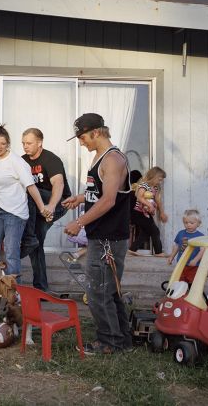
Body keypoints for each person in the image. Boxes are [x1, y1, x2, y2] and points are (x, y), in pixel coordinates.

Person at [62, 113, 133, 355]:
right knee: (108, 291)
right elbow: (99, 192)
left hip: (108, 238)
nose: (81, 142)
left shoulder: (113, 160)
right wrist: (80, 198)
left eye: (82, 137)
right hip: (103, 235)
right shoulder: (100, 158)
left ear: (97, 132)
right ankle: (122, 339)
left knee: (97, 292)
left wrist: (79, 222)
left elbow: (109, 200)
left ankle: (109, 342)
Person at [0, 125, 50, 276]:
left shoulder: (17, 162)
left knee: (11, 253)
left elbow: (31, 187)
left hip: (15, 213)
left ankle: (15, 294)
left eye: (3, 143)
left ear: (8, 145)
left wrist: (42, 208)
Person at [20, 128, 71, 291]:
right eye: (23, 143)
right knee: (36, 244)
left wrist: (50, 207)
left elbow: (59, 184)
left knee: (30, 191)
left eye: (29, 143)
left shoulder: (51, 159)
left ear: (40, 142)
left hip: (58, 203)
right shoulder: (21, 161)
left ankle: (28, 237)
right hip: (37, 208)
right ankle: (41, 288)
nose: (25, 146)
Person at [128, 167, 168, 256]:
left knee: (146, 232)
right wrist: (149, 205)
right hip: (138, 212)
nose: (160, 182)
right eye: (159, 179)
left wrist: (161, 212)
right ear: (153, 176)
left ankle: (132, 249)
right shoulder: (144, 185)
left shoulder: (156, 188)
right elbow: (139, 197)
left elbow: (157, 200)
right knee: (155, 231)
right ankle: (158, 252)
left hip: (146, 213)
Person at [167, 209, 205, 284]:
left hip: (193, 266)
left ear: (198, 223)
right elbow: (177, 246)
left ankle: (190, 294)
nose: (188, 225)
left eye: (191, 223)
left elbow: (203, 250)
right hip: (181, 264)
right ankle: (181, 294)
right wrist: (172, 256)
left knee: (192, 283)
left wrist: (195, 260)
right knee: (180, 282)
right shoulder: (181, 233)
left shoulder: (200, 236)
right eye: (186, 223)